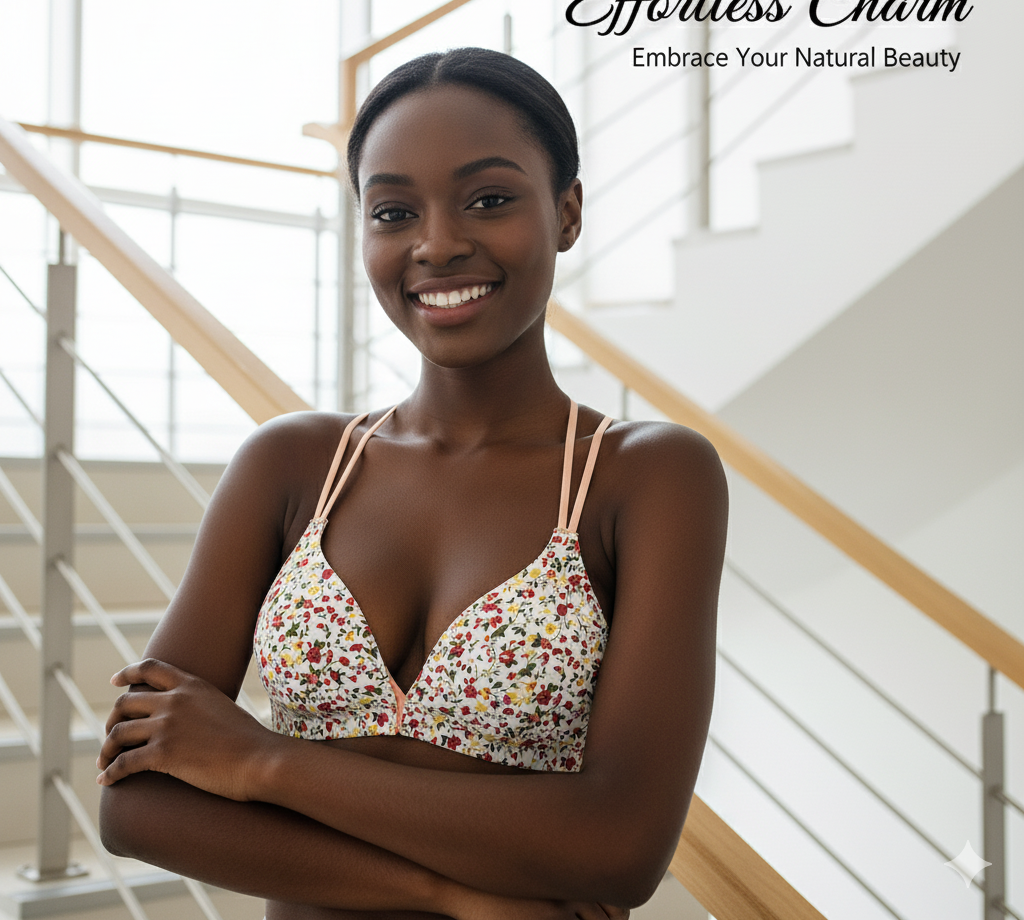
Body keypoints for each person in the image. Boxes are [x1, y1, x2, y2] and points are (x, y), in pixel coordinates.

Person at [97, 47, 728, 920]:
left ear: (568, 212)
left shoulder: (649, 475)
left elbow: (618, 846)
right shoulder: (290, 465)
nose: (437, 243)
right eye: (394, 211)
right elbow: (136, 805)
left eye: (490, 199)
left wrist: (258, 761)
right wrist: (448, 894)